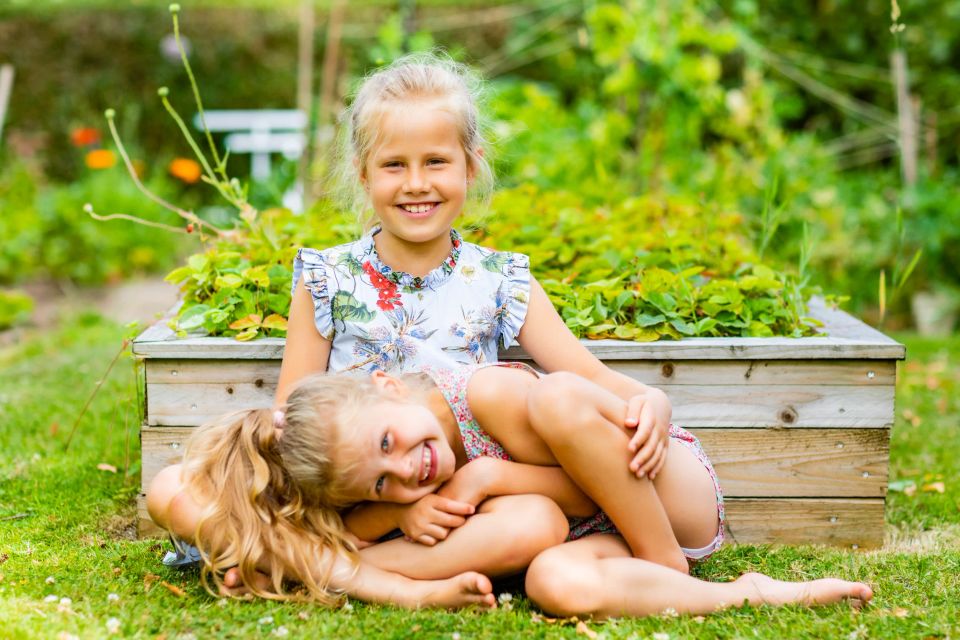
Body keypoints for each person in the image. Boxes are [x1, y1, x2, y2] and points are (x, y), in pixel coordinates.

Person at [158, 50, 704, 585]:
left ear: (471, 166)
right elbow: (294, 416)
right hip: (364, 489)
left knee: (533, 524)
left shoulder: (501, 279)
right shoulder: (327, 278)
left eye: (436, 162)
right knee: (169, 488)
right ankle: (321, 556)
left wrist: (652, 399)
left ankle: (314, 569)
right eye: (394, 165)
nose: (416, 183)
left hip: (461, 494)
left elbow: (592, 384)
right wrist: (388, 514)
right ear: (363, 173)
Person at [239, 363, 874, 618]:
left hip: (663, 492)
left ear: (388, 385)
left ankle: (667, 565)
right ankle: (739, 595)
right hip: (603, 541)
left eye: (387, 443)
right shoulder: (406, 486)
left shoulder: (481, 397)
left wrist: (492, 474)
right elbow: (365, 523)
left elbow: (589, 488)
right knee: (552, 584)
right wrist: (389, 518)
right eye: (382, 480)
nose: (408, 470)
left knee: (559, 396)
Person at [146, 414, 499, 609]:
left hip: (315, 538)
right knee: (170, 494)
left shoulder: (331, 457)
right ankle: (282, 566)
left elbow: (344, 548)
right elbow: (170, 495)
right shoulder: (191, 490)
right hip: (278, 531)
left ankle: (285, 572)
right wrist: (423, 595)